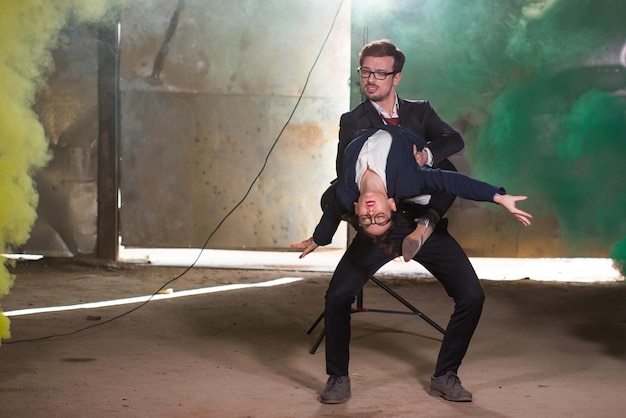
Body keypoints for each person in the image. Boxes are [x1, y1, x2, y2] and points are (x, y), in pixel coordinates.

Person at [292, 125, 532, 404]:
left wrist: (499, 196)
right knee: (337, 296)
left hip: (414, 219)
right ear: (355, 211)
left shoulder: (366, 188)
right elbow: (332, 211)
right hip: (384, 235)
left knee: (471, 295)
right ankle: (337, 379)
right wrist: (499, 196)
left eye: (374, 217)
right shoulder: (383, 187)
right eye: (370, 219)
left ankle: (445, 376)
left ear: (390, 204)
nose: (371, 214)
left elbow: (451, 182)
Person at [337, 39, 465, 261]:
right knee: (332, 196)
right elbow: (343, 169)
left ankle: (426, 225)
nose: (370, 79)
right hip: (380, 200)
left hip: (418, 197)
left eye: (380, 74)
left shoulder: (420, 110)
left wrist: (426, 156)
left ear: (396, 77)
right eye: (365, 72)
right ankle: (378, 228)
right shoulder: (352, 120)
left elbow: (453, 139)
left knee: (447, 170)